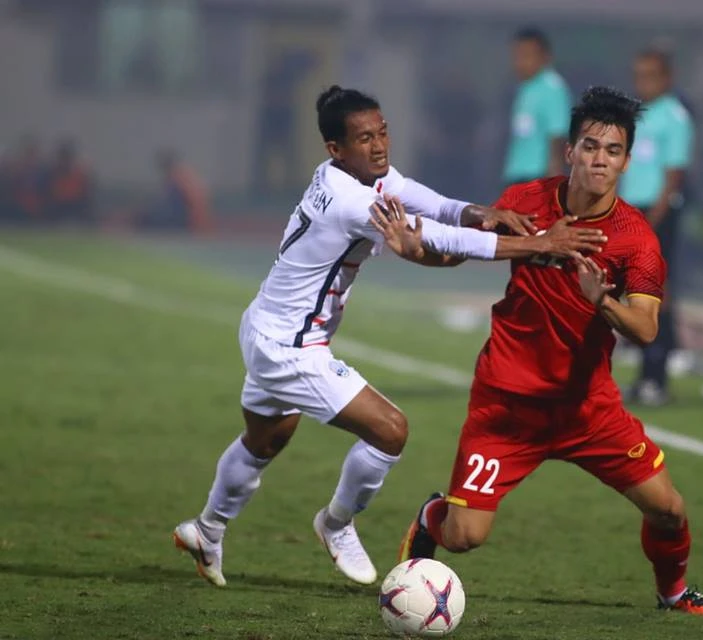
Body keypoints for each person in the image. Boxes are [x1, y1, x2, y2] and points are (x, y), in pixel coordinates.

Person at [172, 86, 605, 589]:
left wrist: (481, 212)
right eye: (364, 138)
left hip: (265, 324)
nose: (379, 145)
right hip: (288, 348)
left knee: (265, 439)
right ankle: (336, 523)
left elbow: (432, 204)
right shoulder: (352, 201)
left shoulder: (350, 174)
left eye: (382, 132)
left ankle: (207, 530)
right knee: (389, 430)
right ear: (336, 148)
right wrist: (541, 243)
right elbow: (438, 237)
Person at [385, 86, 703, 615]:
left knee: (668, 509)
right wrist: (416, 252)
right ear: (570, 151)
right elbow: (459, 254)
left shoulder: (636, 239)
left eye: (613, 151)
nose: (600, 160)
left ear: (627, 161)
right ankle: (433, 516)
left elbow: (646, 329)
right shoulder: (525, 199)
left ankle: (673, 594)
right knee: (464, 537)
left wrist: (603, 302)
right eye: (590, 147)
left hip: (587, 409)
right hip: (507, 405)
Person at [620, 48, 694, 406]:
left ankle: (656, 377)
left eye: (650, 75)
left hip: (657, 214)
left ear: (667, 78)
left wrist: (650, 223)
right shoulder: (636, 115)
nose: (643, 82)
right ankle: (643, 375)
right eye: (639, 75)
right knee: (636, 293)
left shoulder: (674, 117)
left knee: (656, 294)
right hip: (633, 211)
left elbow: (674, 177)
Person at [502, 27, 572, 187]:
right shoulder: (525, 88)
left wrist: (552, 184)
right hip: (517, 174)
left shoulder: (552, 88)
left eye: (527, 56)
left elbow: (557, 136)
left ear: (545, 57)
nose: (520, 63)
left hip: (537, 176)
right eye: (517, 56)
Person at [45, 139, 95, 225]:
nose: (64, 161)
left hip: (76, 206)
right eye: (62, 158)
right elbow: (50, 194)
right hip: (58, 206)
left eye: (67, 157)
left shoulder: (79, 174)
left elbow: (86, 194)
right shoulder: (52, 174)